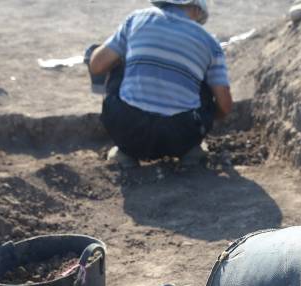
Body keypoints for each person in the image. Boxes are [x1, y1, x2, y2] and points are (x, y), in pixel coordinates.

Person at [88, 0, 234, 166]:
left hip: (127, 131)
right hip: (180, 137)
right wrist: (205, 117)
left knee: (114, 59)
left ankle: (124, 153)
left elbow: (96, 65)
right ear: (196, 9)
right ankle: (191, 152)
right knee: (204, 79)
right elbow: (225, 105)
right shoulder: (210, 44)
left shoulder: (136, 19)